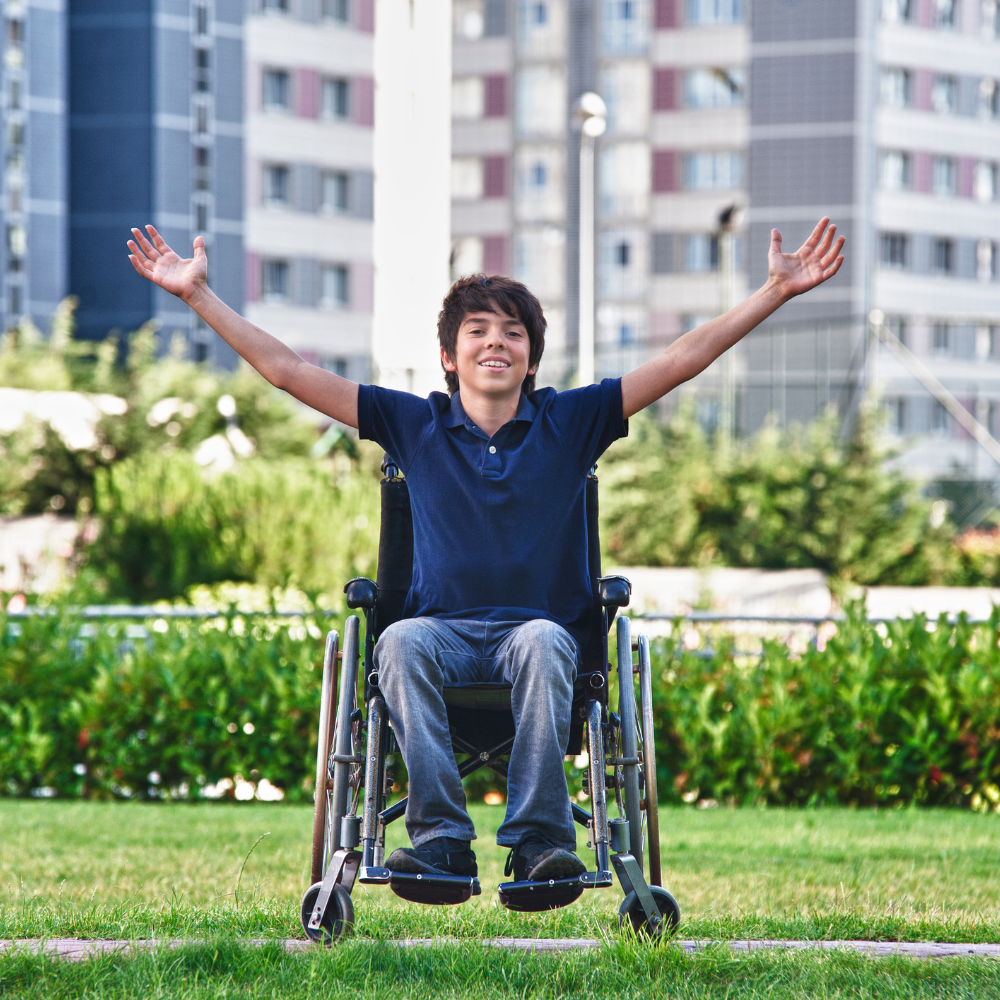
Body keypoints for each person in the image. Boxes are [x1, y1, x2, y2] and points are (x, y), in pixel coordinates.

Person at [127, 218, 844, 882]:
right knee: (399, 641)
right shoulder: (414, 422)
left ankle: (539, 844)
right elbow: (287, 371)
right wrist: (199, 297)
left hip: (539, 638)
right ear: (449, 353)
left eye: (512, 333)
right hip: (442, 637)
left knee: (539, 640)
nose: (496, 342)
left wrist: (775, 291)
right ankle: (440, 842)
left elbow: (684, 357)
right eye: (477, 331)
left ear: (531, 357)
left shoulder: (573, 421)